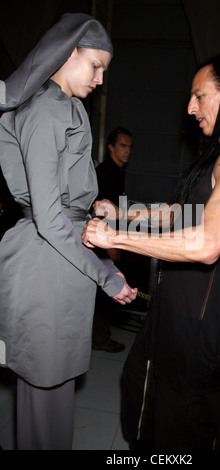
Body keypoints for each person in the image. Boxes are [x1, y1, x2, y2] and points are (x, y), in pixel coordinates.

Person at [82, 53, 220, 450]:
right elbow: (178, 214)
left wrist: (113, 238)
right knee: (140, 404)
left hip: (194, 337)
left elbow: (207, 243)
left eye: (199, 95)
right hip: (165, 324)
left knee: (180, 432)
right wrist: (122, 214)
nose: (190, 108)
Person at [0, 13, 137, 450]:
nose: (100, 78)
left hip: (59, 258)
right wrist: (107, 273)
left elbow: (61, 195)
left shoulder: (69, 106)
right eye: (95, 65)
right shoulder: (44, 110)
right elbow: (48, 217)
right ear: (66, 52)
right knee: (43, 397)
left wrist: (88, 201)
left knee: (55, 391)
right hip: (46, 259)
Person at [92, 127, 133, 353]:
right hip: (105, 239)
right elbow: (101, 209)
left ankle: (100, 336)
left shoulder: (117, 172)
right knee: (106, 291)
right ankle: (99, 339)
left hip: (112, 238)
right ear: (111, 147)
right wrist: (109, 244)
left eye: (129, 147)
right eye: (122, 146)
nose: (127, 151)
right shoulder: (106, 173)